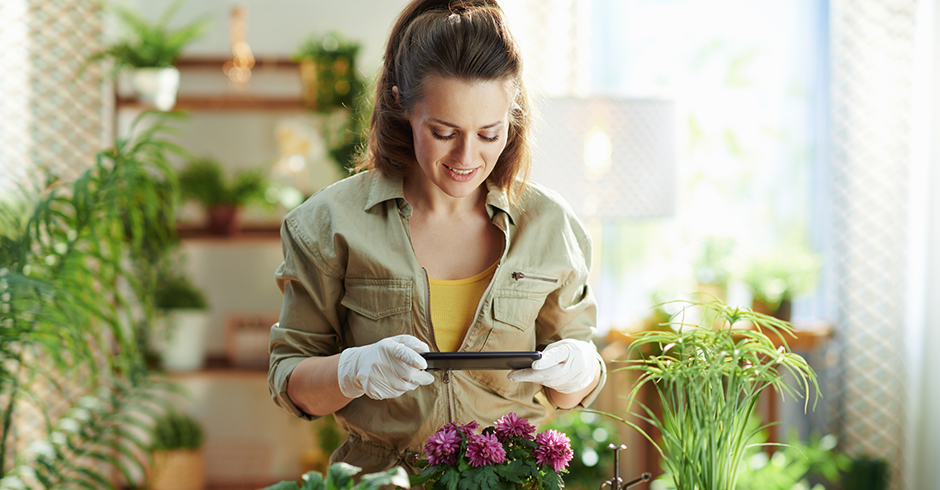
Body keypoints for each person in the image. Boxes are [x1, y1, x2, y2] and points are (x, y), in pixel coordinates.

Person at [268, 0, 606, 476]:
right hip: (383, 481)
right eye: (444, 132)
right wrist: (353, 370)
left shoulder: (550, 224)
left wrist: (580, 366)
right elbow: (289, 381)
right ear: (400, 105)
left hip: (514, 480)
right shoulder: (328, 223)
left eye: (489, 133)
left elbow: (569, 393)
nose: (467, 156)